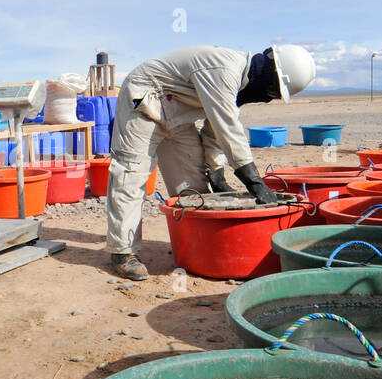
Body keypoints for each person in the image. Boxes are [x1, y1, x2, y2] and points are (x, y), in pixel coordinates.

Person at [104, 43, 315, 280]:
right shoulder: (224, 69)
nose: (269, 98)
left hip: (178, 112)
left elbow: (216, 128)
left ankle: (195, 244)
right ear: (270, 74)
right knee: (131, 175)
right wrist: (254, 181)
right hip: (145, 99)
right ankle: (123, 252)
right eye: (273, 92)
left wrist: (216, 171)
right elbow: (227, 128)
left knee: (192, 185)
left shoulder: (240, 84)